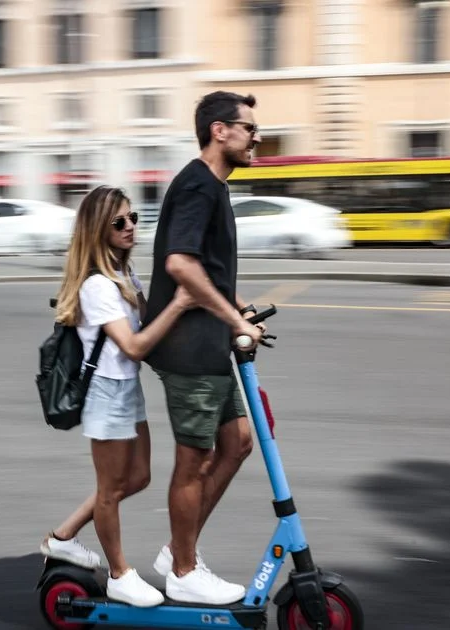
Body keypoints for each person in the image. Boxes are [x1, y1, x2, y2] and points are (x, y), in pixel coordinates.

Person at [40, 185, 195, 608]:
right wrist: (181, 304)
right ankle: (119, 574)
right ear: (98, 230)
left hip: (127, 388)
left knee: (138, 477)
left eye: (133, 218)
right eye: (118, 222)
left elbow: (150, 321)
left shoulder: (123, 275)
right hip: (106, 393)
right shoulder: (97, 286)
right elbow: (134, 346)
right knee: (109, 490)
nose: (130, 227)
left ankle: (63, 537)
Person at [141, 90, 265, 605]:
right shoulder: (197, 185)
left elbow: (206, 268)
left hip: (209, 343)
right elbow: (180, 264)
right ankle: (184, 570)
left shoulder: (214, 186)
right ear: (220, 130)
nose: (256, 138)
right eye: (249, 128)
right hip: (188, 348)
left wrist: (241, 306)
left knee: (238, 442)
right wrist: (234, 319)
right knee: (194, 459)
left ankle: (178, 550)